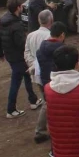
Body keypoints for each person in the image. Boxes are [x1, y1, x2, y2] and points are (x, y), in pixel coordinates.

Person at [0, 0, 42, 118]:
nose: (22, 7)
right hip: (19, 57)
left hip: (10, 55)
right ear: (17, 8)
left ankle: (33, 100)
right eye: (21, 6)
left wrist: (0, 53)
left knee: (27, 75)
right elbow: (22, 43)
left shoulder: (2, 20)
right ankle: (11, 109)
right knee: (16, 81)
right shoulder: (16, 24)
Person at [35, 21, 67, 152]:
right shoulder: (61, 49)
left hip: (44, 81)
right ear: (62, 35)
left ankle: (40, 131)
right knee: (60, 112)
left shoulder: (41, 47)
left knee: (47, 105)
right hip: (57, 83)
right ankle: (58, 142)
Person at [24, 9, 53, 143]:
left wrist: (33, 65)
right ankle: (40, 131)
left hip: (36, 74)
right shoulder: (49, 36)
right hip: (48, 74)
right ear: (50, 21)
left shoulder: (31, 35)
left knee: (47, 100)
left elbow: (27, 53)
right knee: (49, 102)